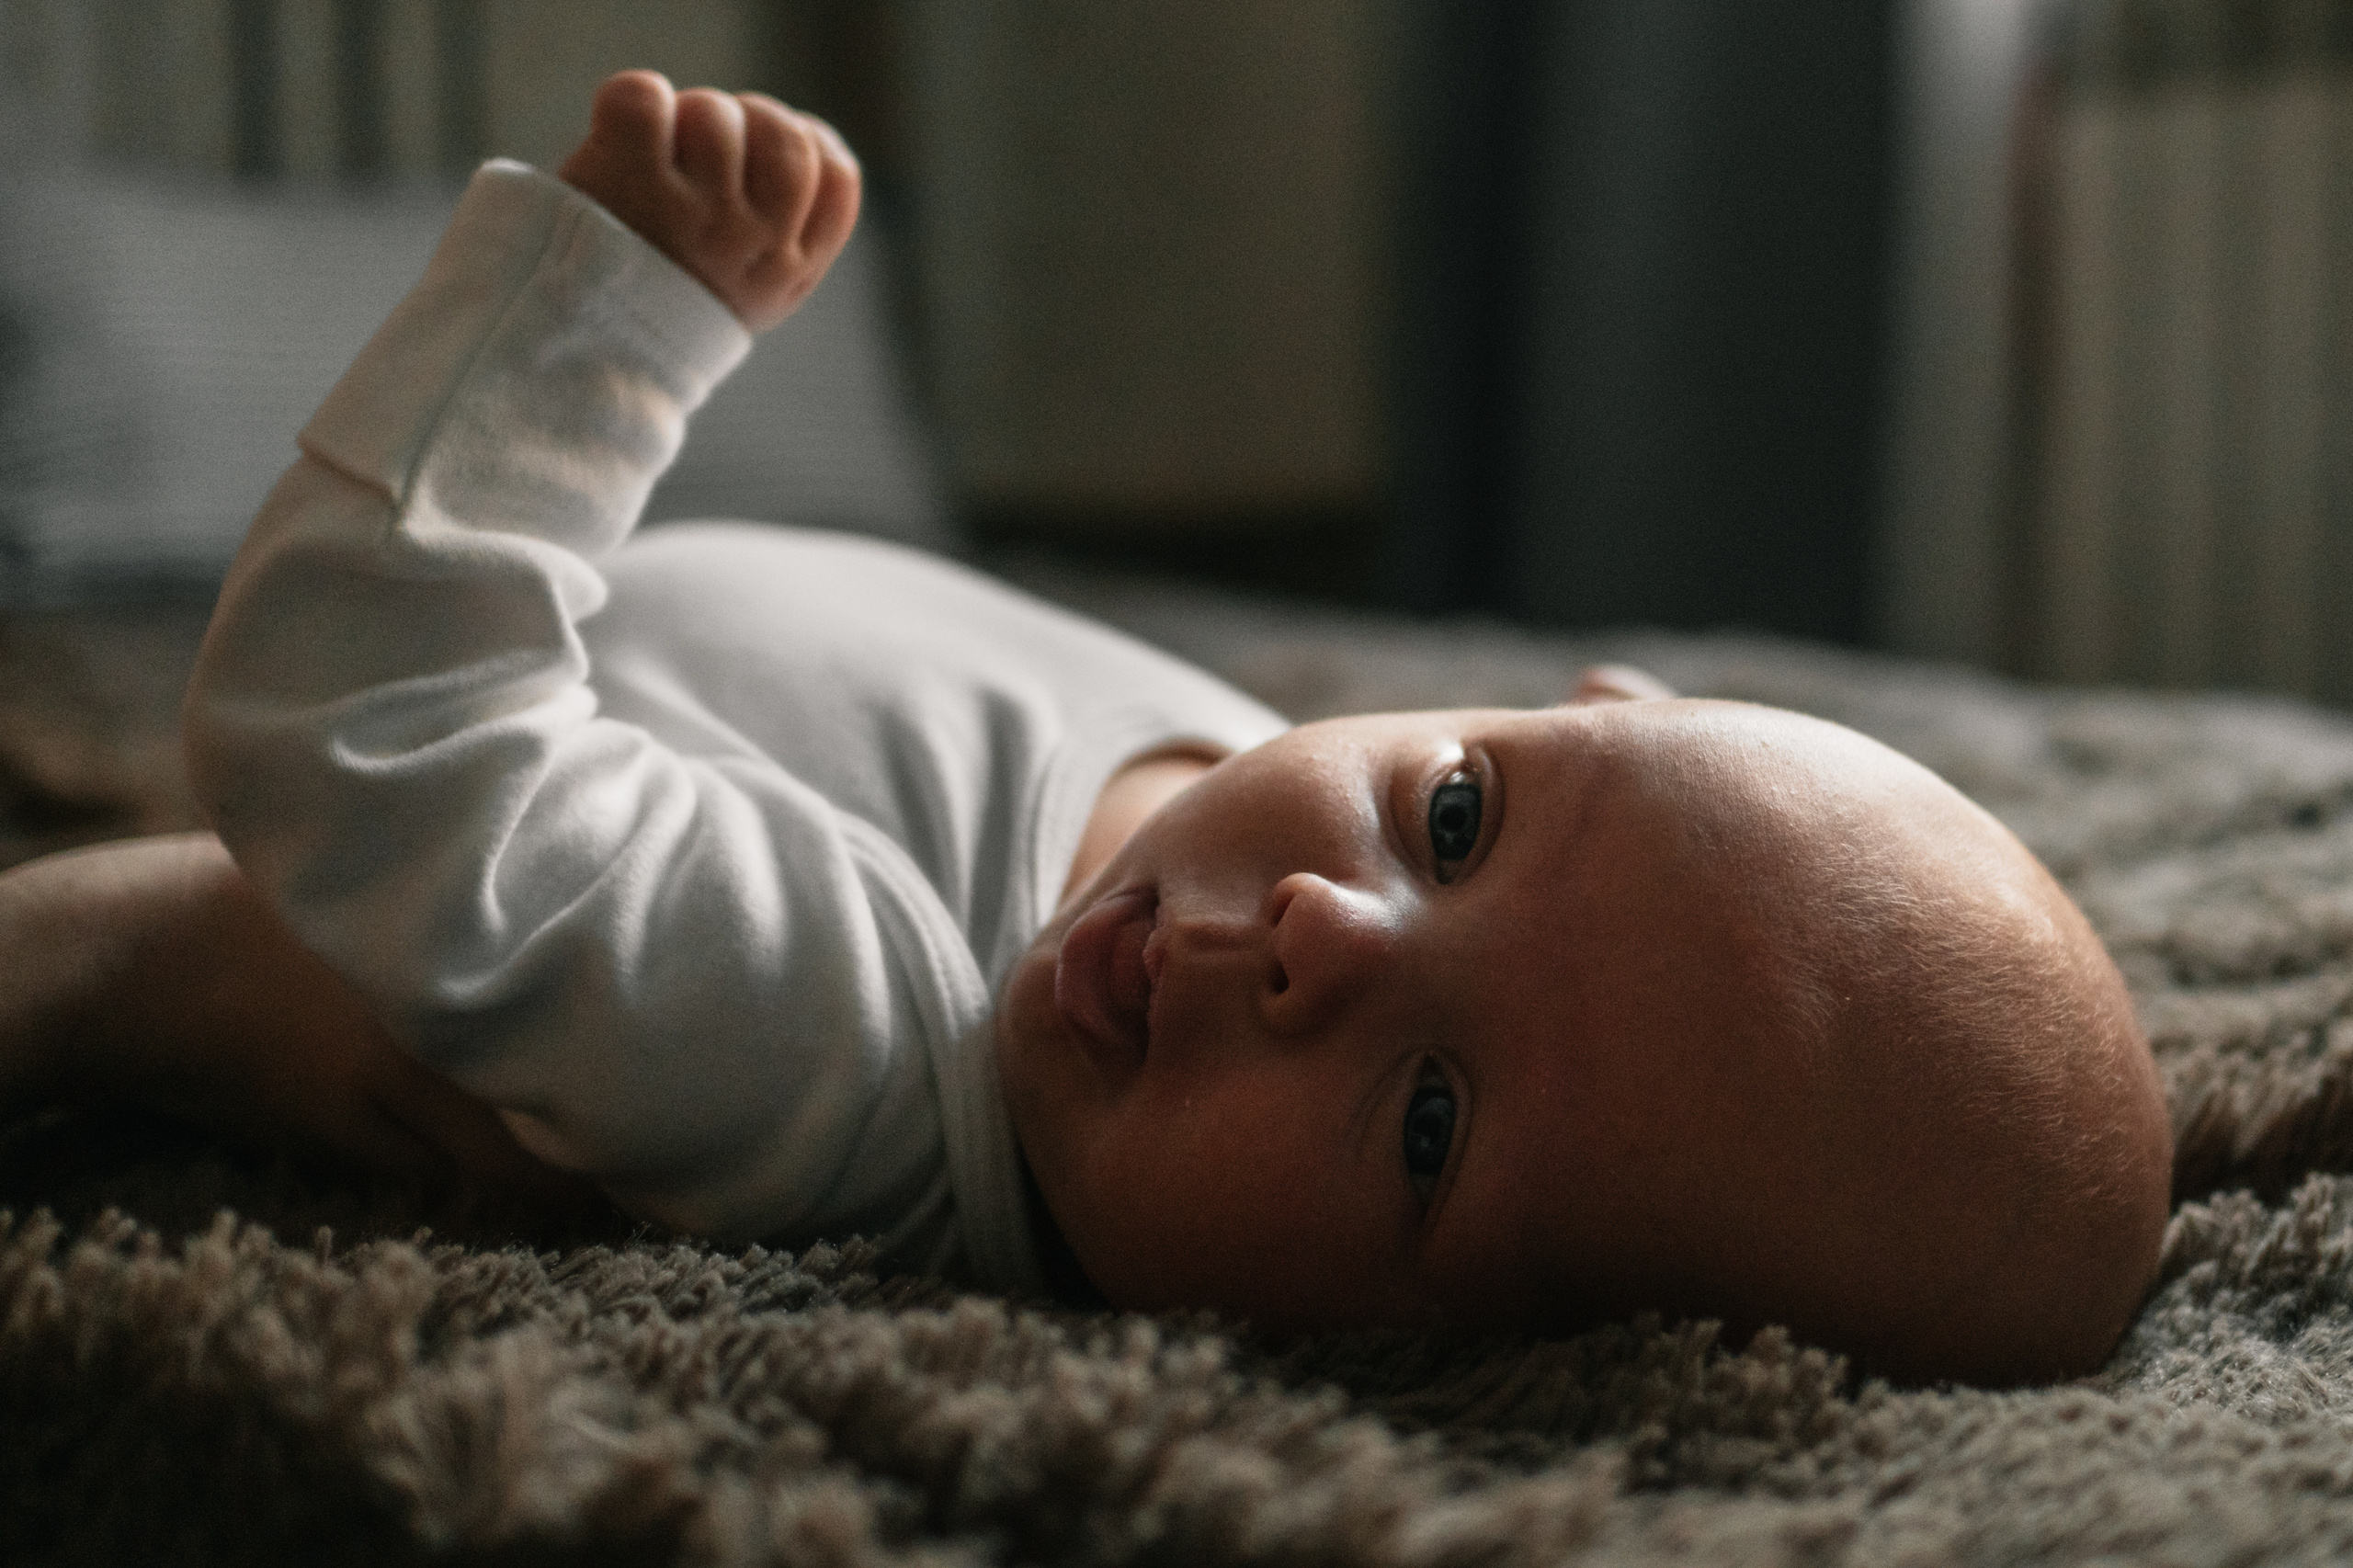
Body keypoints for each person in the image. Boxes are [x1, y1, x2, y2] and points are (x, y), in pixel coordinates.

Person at [0, 72, 2173, 1387]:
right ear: (1571, 702)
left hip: (488, 716)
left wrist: (591, 345)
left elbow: (360, 723)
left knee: (156, 937)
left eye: (1430, 1125)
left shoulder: (840, 1038)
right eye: (1454, 815)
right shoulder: (1240, 839)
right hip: (651, 626)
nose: (1322, 929)